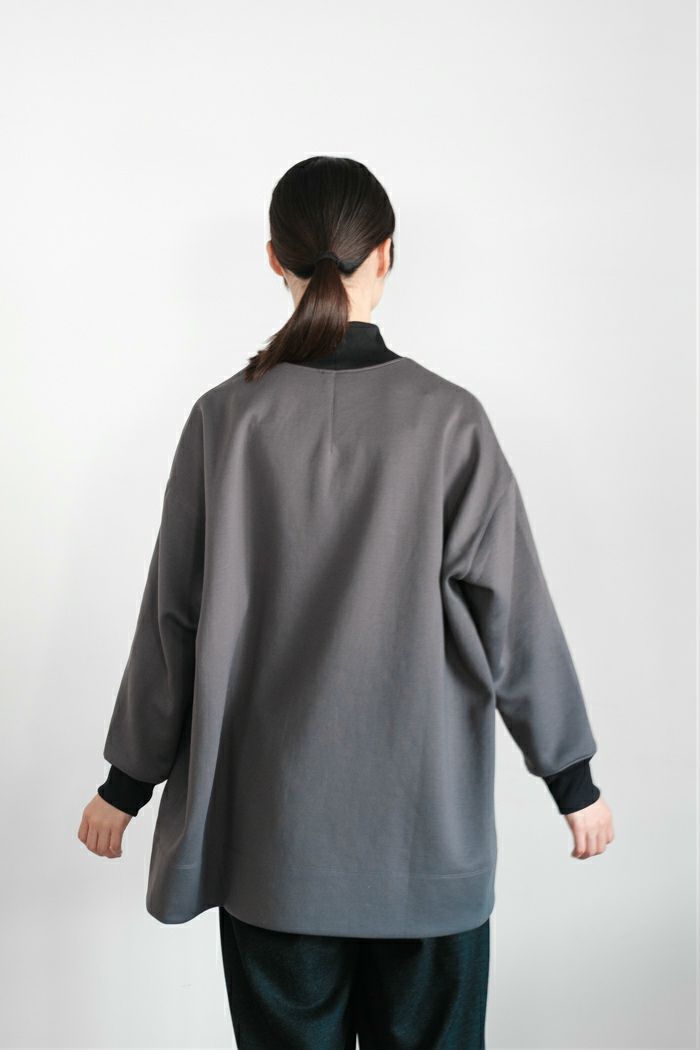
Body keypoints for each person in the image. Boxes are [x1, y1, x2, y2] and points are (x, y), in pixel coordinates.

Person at [78, 155, 614, 1049]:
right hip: (426, 850)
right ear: (387, 255)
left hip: (273, 851)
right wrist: (573, 779)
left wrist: (125, 786)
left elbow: (172, 622)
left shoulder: (226, 420)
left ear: (274, 259)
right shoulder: (448, 420)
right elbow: (515, 616)